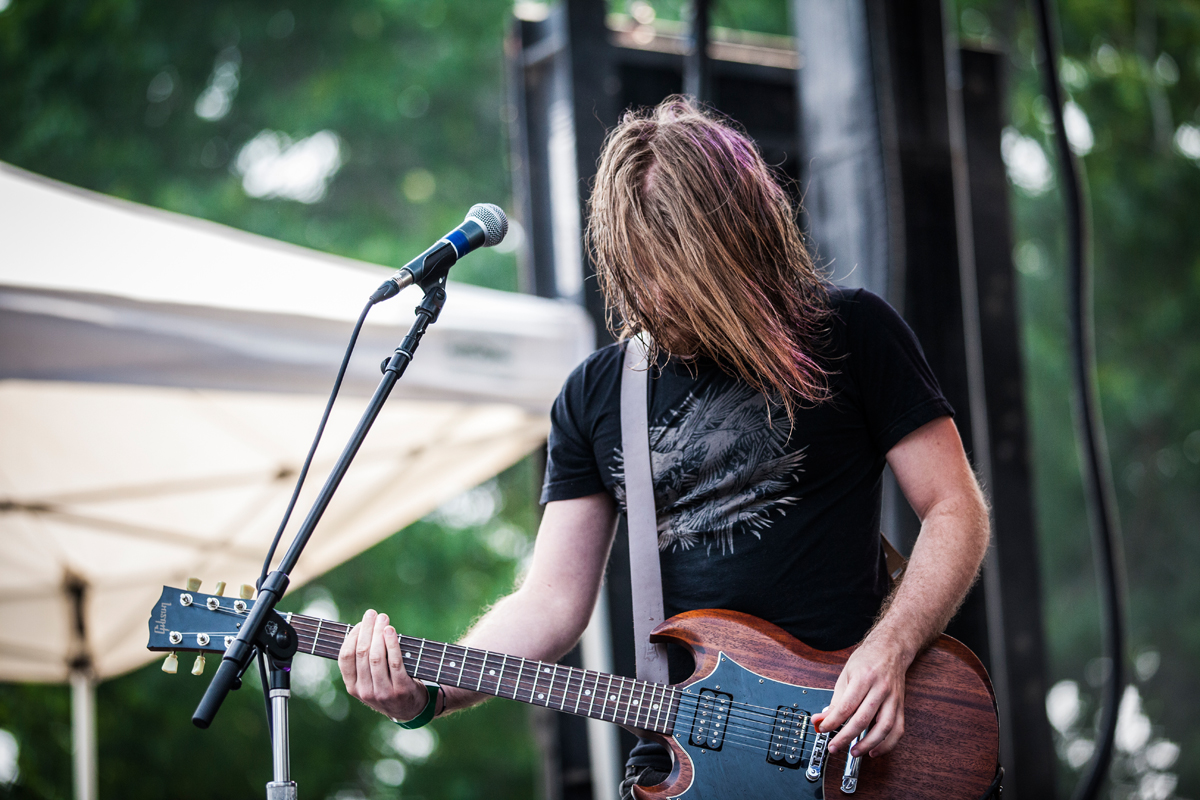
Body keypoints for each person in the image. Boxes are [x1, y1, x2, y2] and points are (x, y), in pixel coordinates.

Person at [338, 97, 990, 796]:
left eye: (679, 265)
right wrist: (430, 691)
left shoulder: (852, 332)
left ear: (742, 237)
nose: (658, 290)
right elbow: (550, 602)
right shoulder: (597, 394)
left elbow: (954, 509)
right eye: (642, 266)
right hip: (684, 765)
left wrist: (890, 649)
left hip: (853, 750)